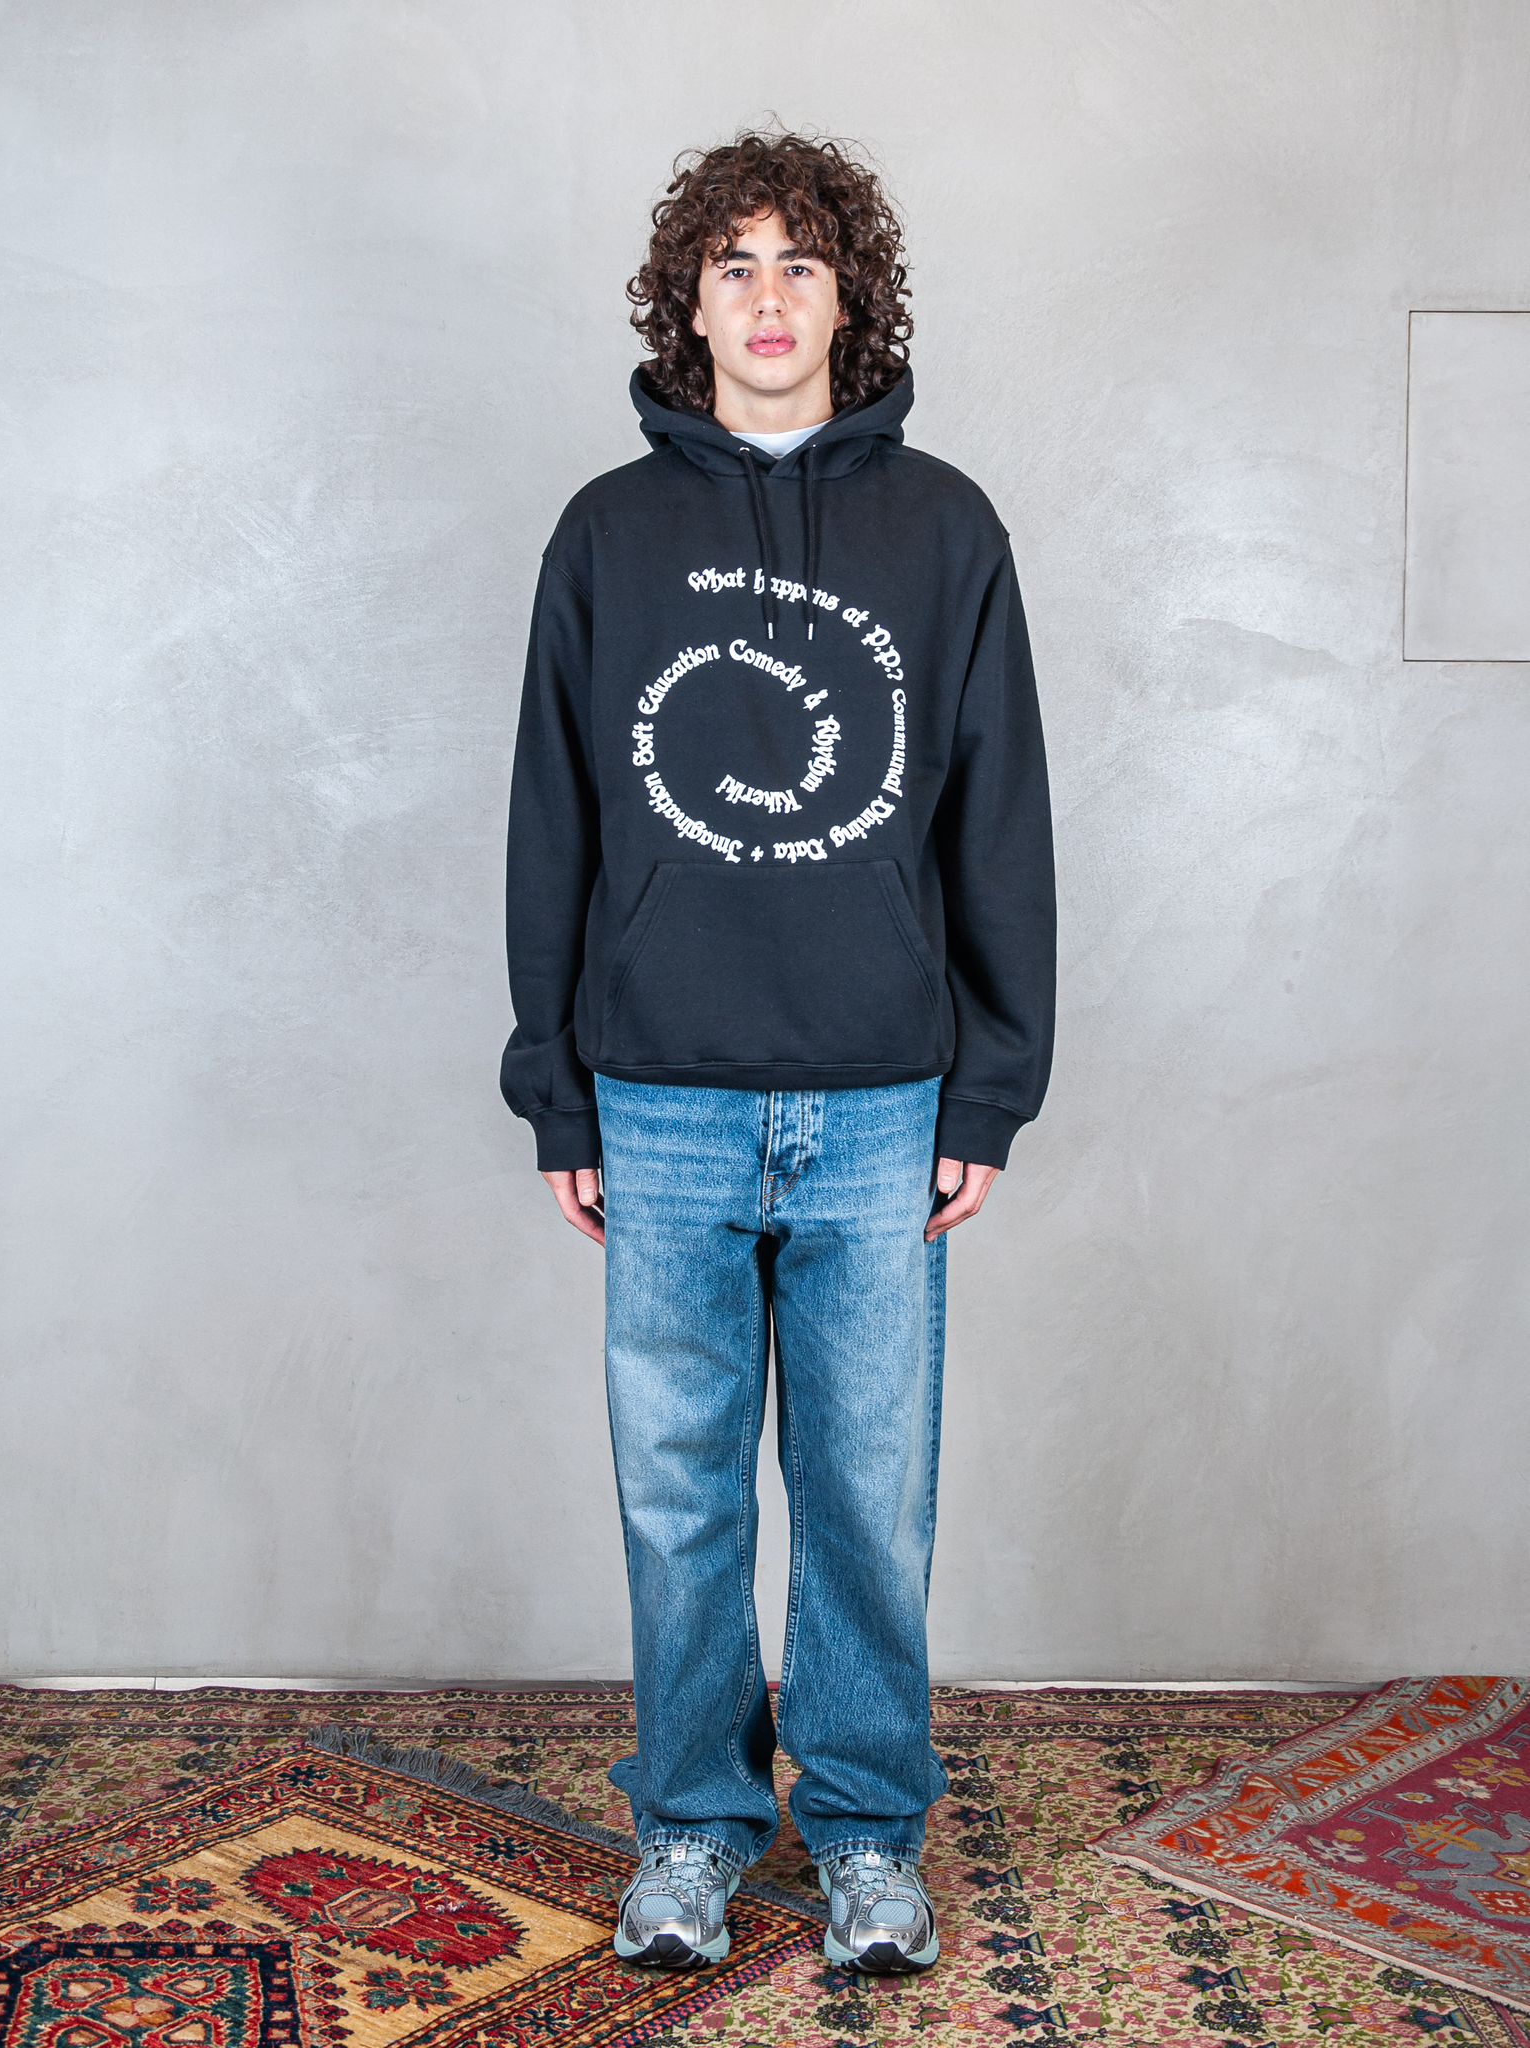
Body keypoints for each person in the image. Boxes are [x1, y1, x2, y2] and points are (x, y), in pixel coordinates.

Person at [501, 130, 1054, 1975]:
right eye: (731, 264)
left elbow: (998, 822)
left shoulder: (945, 529)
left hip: (883, 1098)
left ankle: (870, 1836)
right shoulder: (605, 534)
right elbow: (554, 824)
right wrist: (555, 1086)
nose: (764, 297)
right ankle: (688, 1827)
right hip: (657, 1095)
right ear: (688, 301)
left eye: (799, 264)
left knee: (863, 1504)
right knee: (676, 1499)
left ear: (848, 300)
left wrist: (990, 1084)